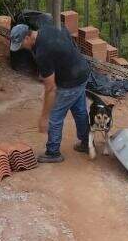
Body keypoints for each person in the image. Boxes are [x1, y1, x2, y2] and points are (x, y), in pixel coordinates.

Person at [10, 23, 90, 163]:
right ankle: (87, 142)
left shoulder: (42, 52)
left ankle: (53, 152)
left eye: (22, 44)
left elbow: (51, 88)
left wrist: (44, 117)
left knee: (54, 116)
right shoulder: (48, 27)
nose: (23, 48)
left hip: (69, 82)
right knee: (80, 111)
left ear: (28, 36)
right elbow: (66, 38)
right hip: (82, 71)